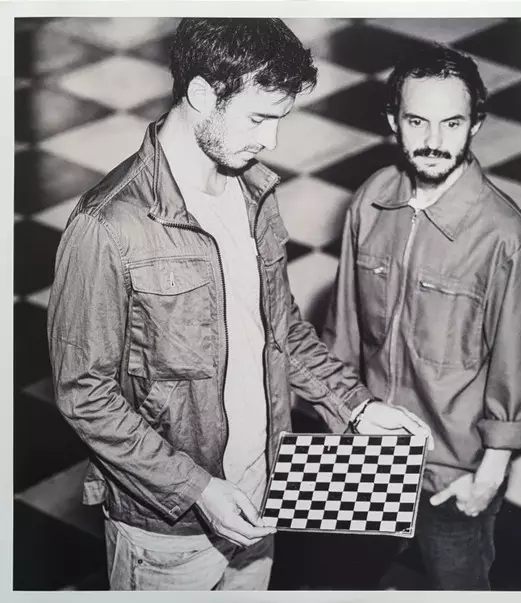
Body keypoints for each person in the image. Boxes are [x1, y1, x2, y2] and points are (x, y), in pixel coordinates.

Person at [47, 18, 430, 591]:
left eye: (279, 119)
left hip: (261, 497)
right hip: (168, 529)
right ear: (202, 94)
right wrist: (199, 489)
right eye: (258, 118)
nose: (270, 141)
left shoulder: (253, 191)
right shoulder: (108, 225)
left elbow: (279, 328)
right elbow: (85, 394)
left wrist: (355, 407)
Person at [322, 44, 521, 590]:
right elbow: (343, 331)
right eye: (416, 121)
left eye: (452, 123)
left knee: (458, 585)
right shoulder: (371, 200)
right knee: (351, 576)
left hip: (454, 470)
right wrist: (340, 430)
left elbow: (518, 366)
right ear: (393, 122)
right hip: (371, 451)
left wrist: (489, 473)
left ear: (476, 125)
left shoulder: (505, 235)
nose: (433, 139)